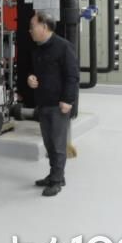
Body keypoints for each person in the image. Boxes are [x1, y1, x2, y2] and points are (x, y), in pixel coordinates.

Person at [27, 11, 80, 197]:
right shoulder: (37, 49)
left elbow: (72, 76)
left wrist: (68, 100)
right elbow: (33, 72)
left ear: (44, 26)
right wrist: (30, 78)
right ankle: (54, 175)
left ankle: (57, 181)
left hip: (59, 105)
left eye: (32, 26)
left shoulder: (64, 47)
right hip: (43, 103)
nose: (30, 30)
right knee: (49, 143)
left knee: (58, 145)